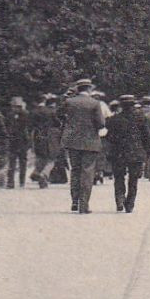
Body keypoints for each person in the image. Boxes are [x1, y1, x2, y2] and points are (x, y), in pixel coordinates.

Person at [61, 78, 108, 214]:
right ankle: (84, 204)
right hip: (90, 141)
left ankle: (74, 201)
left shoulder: (69, 102)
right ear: (89, 89)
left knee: (75, 170)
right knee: (87, 172)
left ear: (77, 88)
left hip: (72, 141)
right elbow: (101, 123)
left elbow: (58, 114)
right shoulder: (94, 103)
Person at [107, 95, 149, 213]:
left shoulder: (114, 119)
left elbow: (109, 137)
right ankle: (130, 203)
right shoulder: (140, 119)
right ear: (133, 105)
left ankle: (120, 199)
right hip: (135, 153)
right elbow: (146, 137)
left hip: (118, 152)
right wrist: (146, 152)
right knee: (133, 179)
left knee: (119, 177)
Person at [29, 93, 63, 188]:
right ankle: (44, 174)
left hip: (37, 135)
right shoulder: (51, 111)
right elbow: (58, 123)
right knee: (52, 158)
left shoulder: (33, 111)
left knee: (41, 156)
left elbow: (30, 125)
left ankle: (36, 172)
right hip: (50, 136)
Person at [1, 96, 31, 189]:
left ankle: (22, 181)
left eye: (17, 106)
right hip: (12, 141)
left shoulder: (26, 114)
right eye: (14, 106)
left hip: (22, 141)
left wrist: (28, 141)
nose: (15, 108)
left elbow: (28, 128)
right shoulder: (9, 115)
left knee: (22, 163)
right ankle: (10, 182)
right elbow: (6, 127)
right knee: (12, 163)